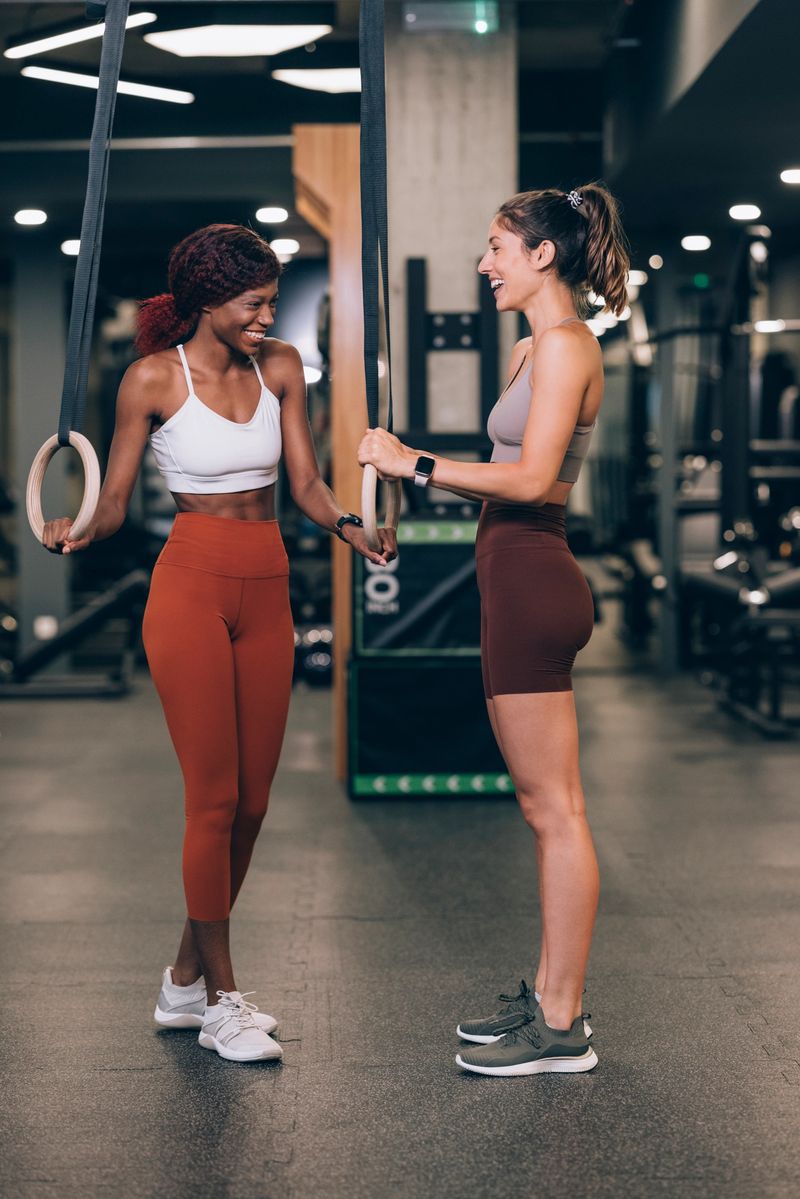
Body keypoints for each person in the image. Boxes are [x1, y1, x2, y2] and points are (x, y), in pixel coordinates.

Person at [42, 223, 396, 1063]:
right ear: (207, 300)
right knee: (211, 798)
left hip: (266, 585)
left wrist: (352, 525)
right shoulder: (151, 380)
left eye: (272, 301)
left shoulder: (279, 370)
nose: (268, 317)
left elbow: (304, 481)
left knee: (255, 804)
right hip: (190, 588)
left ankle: (181, 981)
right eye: (254, 302)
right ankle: (222, 1001)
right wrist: (80, 527)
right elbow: (119, 499)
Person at [358, 185, 629, 1076]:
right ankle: (552, 989)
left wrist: (415, 461)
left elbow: (535, 479)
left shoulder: (565, 346)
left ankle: (561, 1023)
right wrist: (414, 470)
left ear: (541, 255)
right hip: (509, 575)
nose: (485, 263)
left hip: (533, 577)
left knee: (557, 810)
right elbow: (511, 473)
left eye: (497, 248)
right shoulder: (530, 349)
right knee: (539, 806)